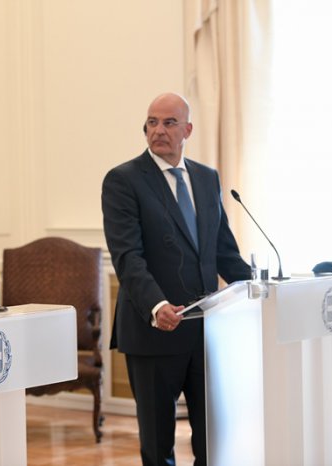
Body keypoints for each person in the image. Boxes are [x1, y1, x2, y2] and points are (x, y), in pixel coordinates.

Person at [101, 93, 251, 466]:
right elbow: (128, 257)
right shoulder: (124, 181)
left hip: (205, 332)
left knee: (213, 440)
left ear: (187, 130)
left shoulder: (206, 178)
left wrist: (262, 288)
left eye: (169, 123)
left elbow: (224, 253)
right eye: (152, 122)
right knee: (158, 446)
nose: (159, 131)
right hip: (155, 331)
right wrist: (156, 305)